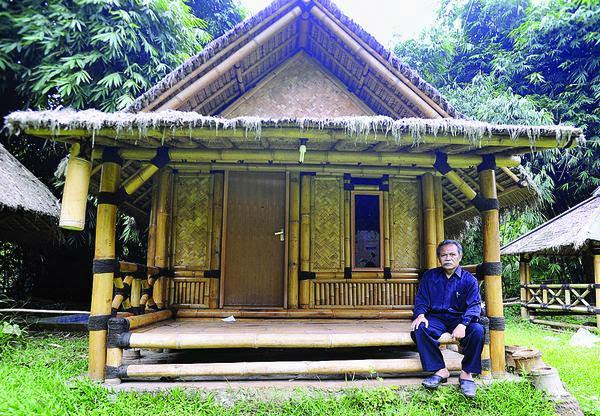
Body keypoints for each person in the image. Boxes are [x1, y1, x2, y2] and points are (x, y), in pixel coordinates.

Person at [410, 239, 484, 398]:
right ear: (439, 258)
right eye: (443, 255)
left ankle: (466, 374)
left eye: (452, 254)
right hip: (436, 318)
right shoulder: (430, 276)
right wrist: (421, 315)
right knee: (419, 328)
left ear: (460, 257)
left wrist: (464, 324)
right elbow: (421, 300)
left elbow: (475, 305)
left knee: (478, 330)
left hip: (459, 319)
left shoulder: (469, 280)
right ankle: (440, 370)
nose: (448, 258)